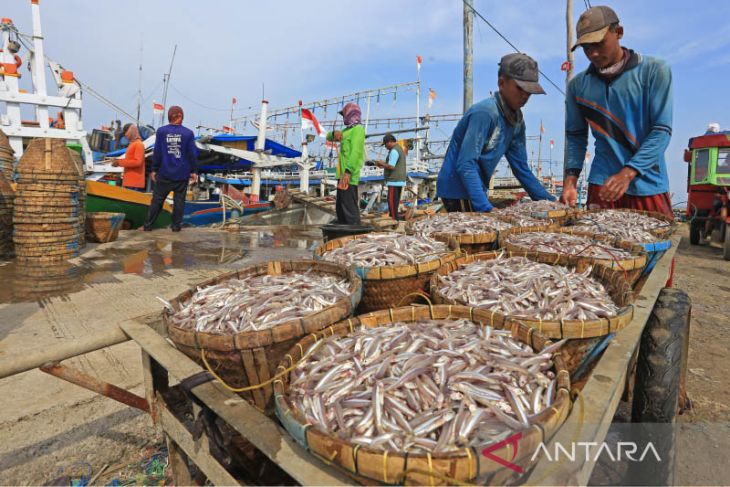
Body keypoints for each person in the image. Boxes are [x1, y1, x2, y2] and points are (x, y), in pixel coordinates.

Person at [561, 6, 674, 219]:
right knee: (598, 248)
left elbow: (661, 131)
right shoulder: (577, 87)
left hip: (648, 182)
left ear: (619, 32)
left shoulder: (654, 70)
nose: (593, 53)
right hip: (602, 183)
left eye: (599, 43)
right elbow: (576, 136)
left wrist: (627, 173)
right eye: (586, 47)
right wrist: (570, 180)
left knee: (654, 245)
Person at [436, 53, 555, 212]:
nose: (525, 96)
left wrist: (551, 201)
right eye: (520, 89)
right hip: (456, 189)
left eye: (529, 92)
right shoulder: (485, 113)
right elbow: (465, 164)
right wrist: (485, 207)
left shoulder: (517, 121)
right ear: (501, 82)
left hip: (476, 189)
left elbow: (521, 168)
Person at [144, 106, 198, 231]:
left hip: (164, 173)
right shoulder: (188, 133)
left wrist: (154, 169)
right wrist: (194, 171)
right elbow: (192, 154)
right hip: (181, 174)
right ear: (179, 115)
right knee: (179, 202)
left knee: (157, 201)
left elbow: (157, 152)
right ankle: (176, 227)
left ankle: (148, 226)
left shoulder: (161, 131)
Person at [327, 102, 365, 225]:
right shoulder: (345, 131)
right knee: (340, 208)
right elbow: (328, 137)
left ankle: (354, 234)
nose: (343, 118)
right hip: (341, 176)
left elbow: (356, 152)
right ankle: (343, 234)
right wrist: (334, 133)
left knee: (349, 209)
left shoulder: (358, 130)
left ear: (351, 114)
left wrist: (348, 172)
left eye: (344, 115)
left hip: (349, 176)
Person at [375, 133, 407, 220]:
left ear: (389, 142)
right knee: (395, 202)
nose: (385, 147)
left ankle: (394, 220)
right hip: (399, 180)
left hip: (394, 180)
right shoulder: (399, 149)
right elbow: (392, 165)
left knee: (391, 202)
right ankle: (394, 218)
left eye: (385, 144)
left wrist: (381, 163)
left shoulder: (394, 151)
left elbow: (391, 166)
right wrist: (382, 165)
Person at [111, 124, 145, 190]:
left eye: (126, 132)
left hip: (134, 183)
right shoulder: (132, 144)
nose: (125, 135)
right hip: (129, 181)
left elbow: (137, 162)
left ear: (132, 131)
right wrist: (118, 161)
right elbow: (129, 160)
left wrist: (119, 163)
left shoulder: (139, 144)